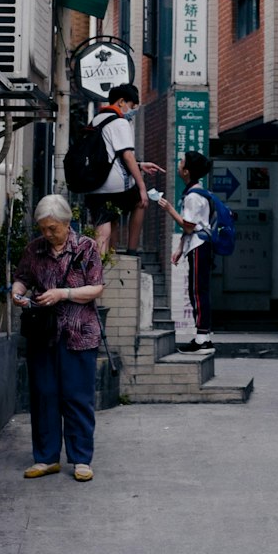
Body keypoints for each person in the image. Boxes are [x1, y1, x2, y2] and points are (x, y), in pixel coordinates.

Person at [12, 195, 105, 483]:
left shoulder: (86, 248)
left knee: (77, 397)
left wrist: (62, 294)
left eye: (53, 228)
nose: (47, 234)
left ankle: (80, 459)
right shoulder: (34, 250)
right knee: (44, 395)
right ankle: (46, 457)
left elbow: (97, 288)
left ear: (67, 223)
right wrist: (17, 294)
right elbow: (22, 277)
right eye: (43, 228)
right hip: (44, 333)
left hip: (79, 334)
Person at [154, 150, 214, 352]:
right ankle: (202, 336)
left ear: (186, 171)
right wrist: (180, 247)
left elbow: (188, 226)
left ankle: (202, 338)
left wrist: (169, 208)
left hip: (199, 246)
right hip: (198, 245)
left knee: (198, 291)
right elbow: (192, 226)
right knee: (198, 290)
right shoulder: (197, 191)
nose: (178, 164)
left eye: (181, 162)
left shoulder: (193, 196)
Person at [84, 83, 153, 256]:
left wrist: (139, 165)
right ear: (121, 101)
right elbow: (127, 156)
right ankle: (131, 250)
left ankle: (104, 262)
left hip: (93, 184)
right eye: (132, 106)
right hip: (114, 184)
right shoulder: (120, 122)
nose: (132, 111)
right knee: (139, 201)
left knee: (106, 221)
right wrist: (142, 187)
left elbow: (106, 155)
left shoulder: (96, 120)